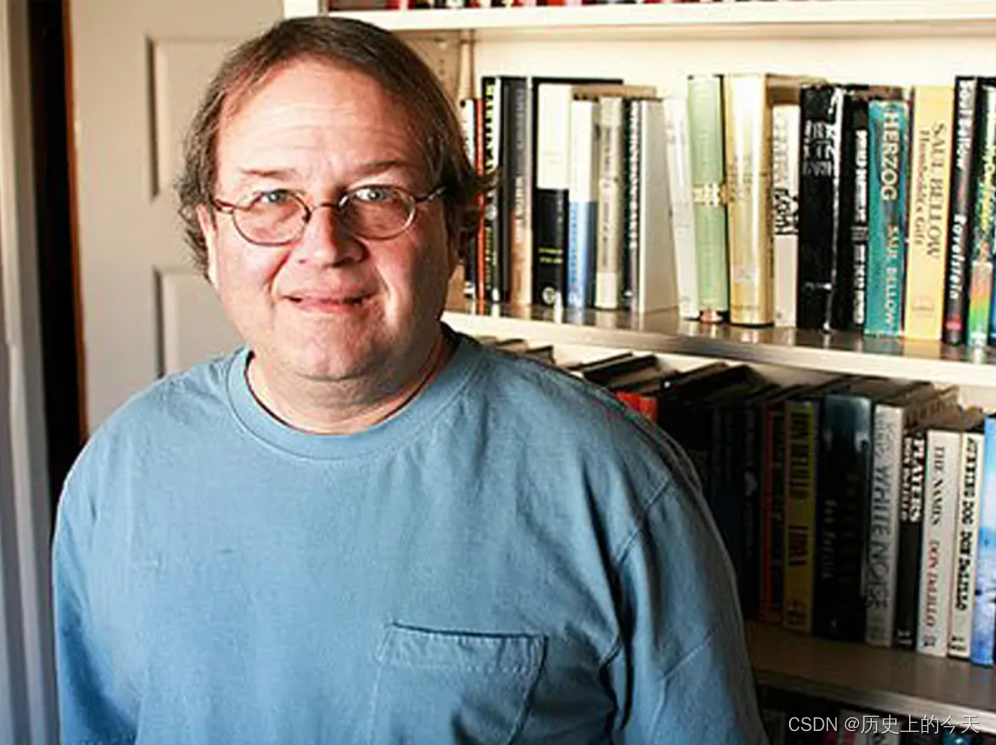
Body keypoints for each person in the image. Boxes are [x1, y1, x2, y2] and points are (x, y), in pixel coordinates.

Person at [52, 15, 768, 745]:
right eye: (270, 199)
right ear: (210, 233)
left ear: (458, 227)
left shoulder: (614, 481)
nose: (324, 246)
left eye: (376, 194)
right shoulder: (119, 471)